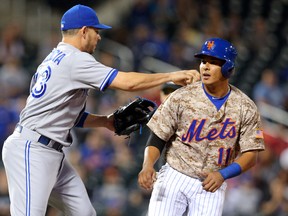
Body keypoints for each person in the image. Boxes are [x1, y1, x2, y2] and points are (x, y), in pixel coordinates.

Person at [1, 4, 200, 216]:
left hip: (48, 150)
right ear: (84, 31)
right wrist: (170, 76)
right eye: (97, 31)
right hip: (32, 150)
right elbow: (127, 83)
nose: (99, 37)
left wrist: (106, 121)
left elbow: (67, 115)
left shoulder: (54, 58)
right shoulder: (75, 59)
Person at [138, 38, 265, 216]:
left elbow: (251, 155)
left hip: (212, 184)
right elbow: (158, 136)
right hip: (175, 176)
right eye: (203, 61)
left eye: (213, 62)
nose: (205, 66)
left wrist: (223, 175)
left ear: (228, 68)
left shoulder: (246, 107)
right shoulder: (181, 96)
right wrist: (148, 164)